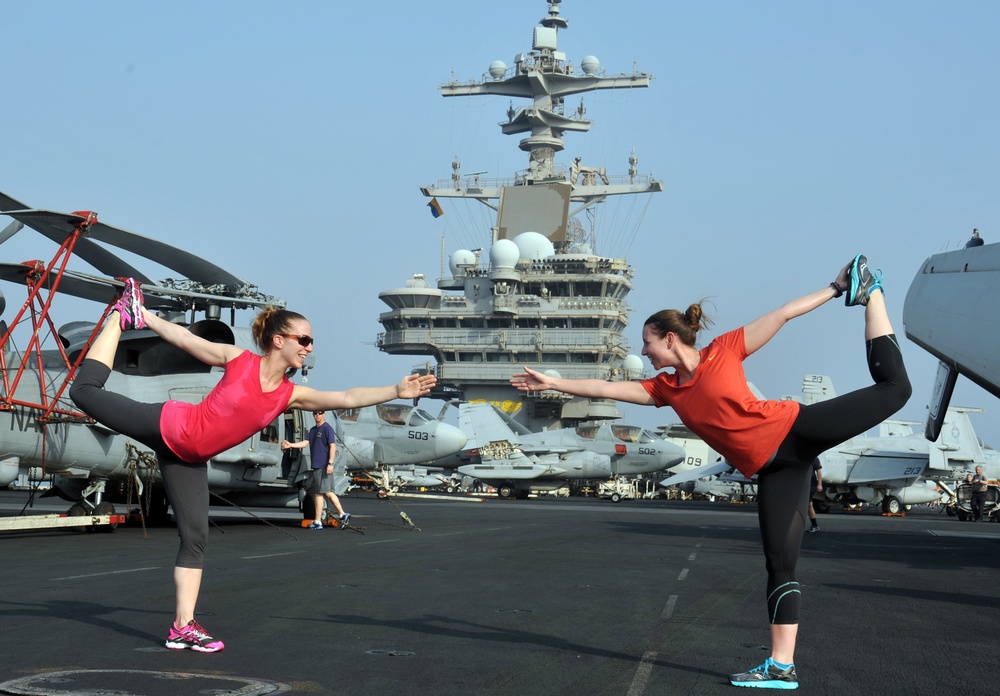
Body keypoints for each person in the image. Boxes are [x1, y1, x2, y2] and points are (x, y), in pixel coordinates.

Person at [511, 255, 911, 689]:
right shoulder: (664, 389)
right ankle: (781, 666)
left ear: (668, 339)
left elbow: (782, 314)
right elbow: (604, 388)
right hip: (776, 471)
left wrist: (835, 290)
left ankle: (871, 293)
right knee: (780, 563)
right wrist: (552, 382)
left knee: (895, 390)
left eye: (646, 342)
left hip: (797, 431)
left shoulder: (725, 349)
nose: (642, 351)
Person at [70, 279, 435, 653]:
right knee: (83, 393)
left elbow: (345, 396)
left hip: (189, 459)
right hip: (167, 426)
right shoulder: (238, 360)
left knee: (195, 539)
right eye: (303, 340)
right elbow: (184, 339)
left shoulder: (288, 395)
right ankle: (119, 316)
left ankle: (182, 626)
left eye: (311, 342)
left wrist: (394, 391)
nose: (309, 348)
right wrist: (141, 315)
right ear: (279, 340)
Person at [282, 410, 350, 529]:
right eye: (315, 414)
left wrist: (330, 463)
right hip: (317, 466)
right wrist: (291, 445)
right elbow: (305, 443)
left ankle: (340, 515)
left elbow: (332, 446)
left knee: (324, 492)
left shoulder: (327, 428)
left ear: (324, 415)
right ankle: (322, 520)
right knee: (321, 493)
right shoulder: (313, 430)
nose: (317, 416)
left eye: (319, 413)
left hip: (324, 466)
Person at [806, 459, 823, 533]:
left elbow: (818, 471)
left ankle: (814, 525)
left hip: (811, 483)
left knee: (807, 503)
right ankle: (815, 525)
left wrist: (819, 484)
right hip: (803, 483)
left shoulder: (814, 458)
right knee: (809, 504)